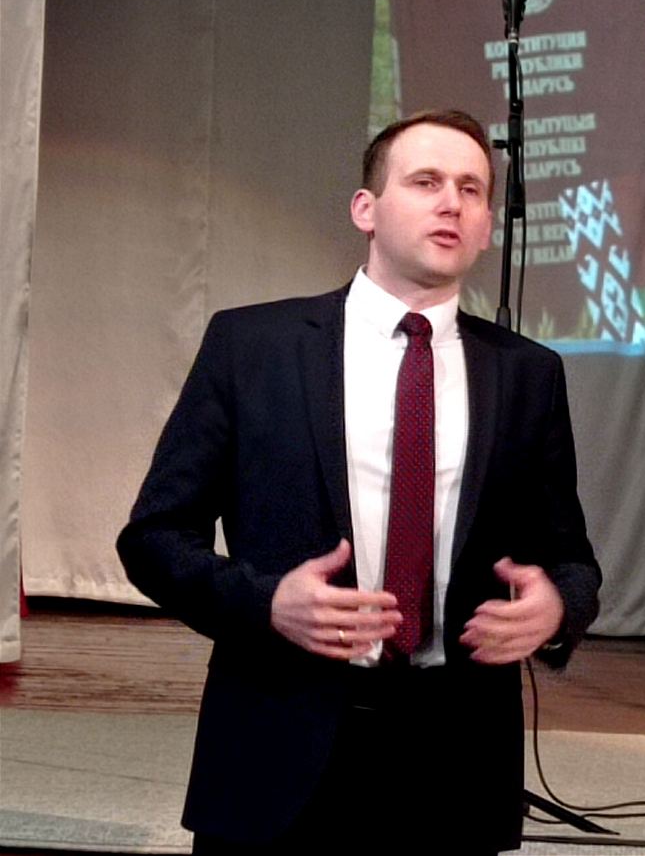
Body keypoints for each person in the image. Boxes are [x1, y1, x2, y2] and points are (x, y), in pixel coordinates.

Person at [118, 109, 601, 854]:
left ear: (485, 229)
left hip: (457, 765)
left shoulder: (528, 374)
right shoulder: (252, 347)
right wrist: (266, 603)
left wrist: (556, 607)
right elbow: (153, 539)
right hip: (275, 747)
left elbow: (570, 559)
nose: (452, 202)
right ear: (365, 209)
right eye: (426, 182)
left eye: (472, 189)